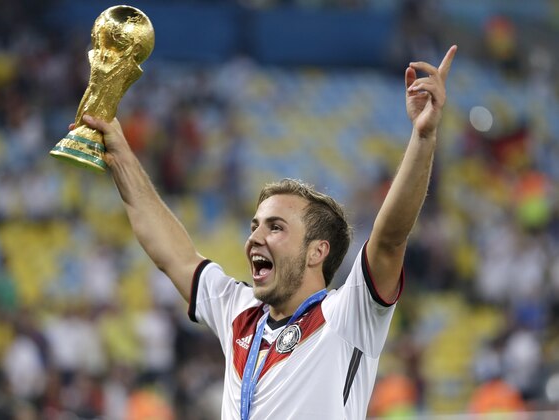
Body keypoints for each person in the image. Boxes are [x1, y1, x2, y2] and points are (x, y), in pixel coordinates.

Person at [78, 45, 457, 419]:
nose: (255, 238)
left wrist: (422, 138)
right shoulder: (240, 311)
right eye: (254, 226)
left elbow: (389, 239)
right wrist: (122, 157)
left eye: (275, 227)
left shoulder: (347, 316)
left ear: (316, 252)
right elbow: (172, 254)